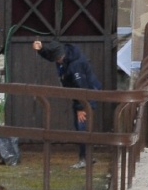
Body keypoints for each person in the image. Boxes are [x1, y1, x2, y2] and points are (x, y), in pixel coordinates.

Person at [32, 39, 102, 168]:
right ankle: (87, 156)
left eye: (58, 59)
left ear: (61, 56)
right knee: (81, 127)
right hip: (79, 96)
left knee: (82, 128)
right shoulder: (65, 56)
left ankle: (85, 158)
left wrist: (81, 107)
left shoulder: (75, 65)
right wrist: (41, 50)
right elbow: (50, 56)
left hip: (86, 96)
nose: (57, 61)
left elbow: (82, 87)